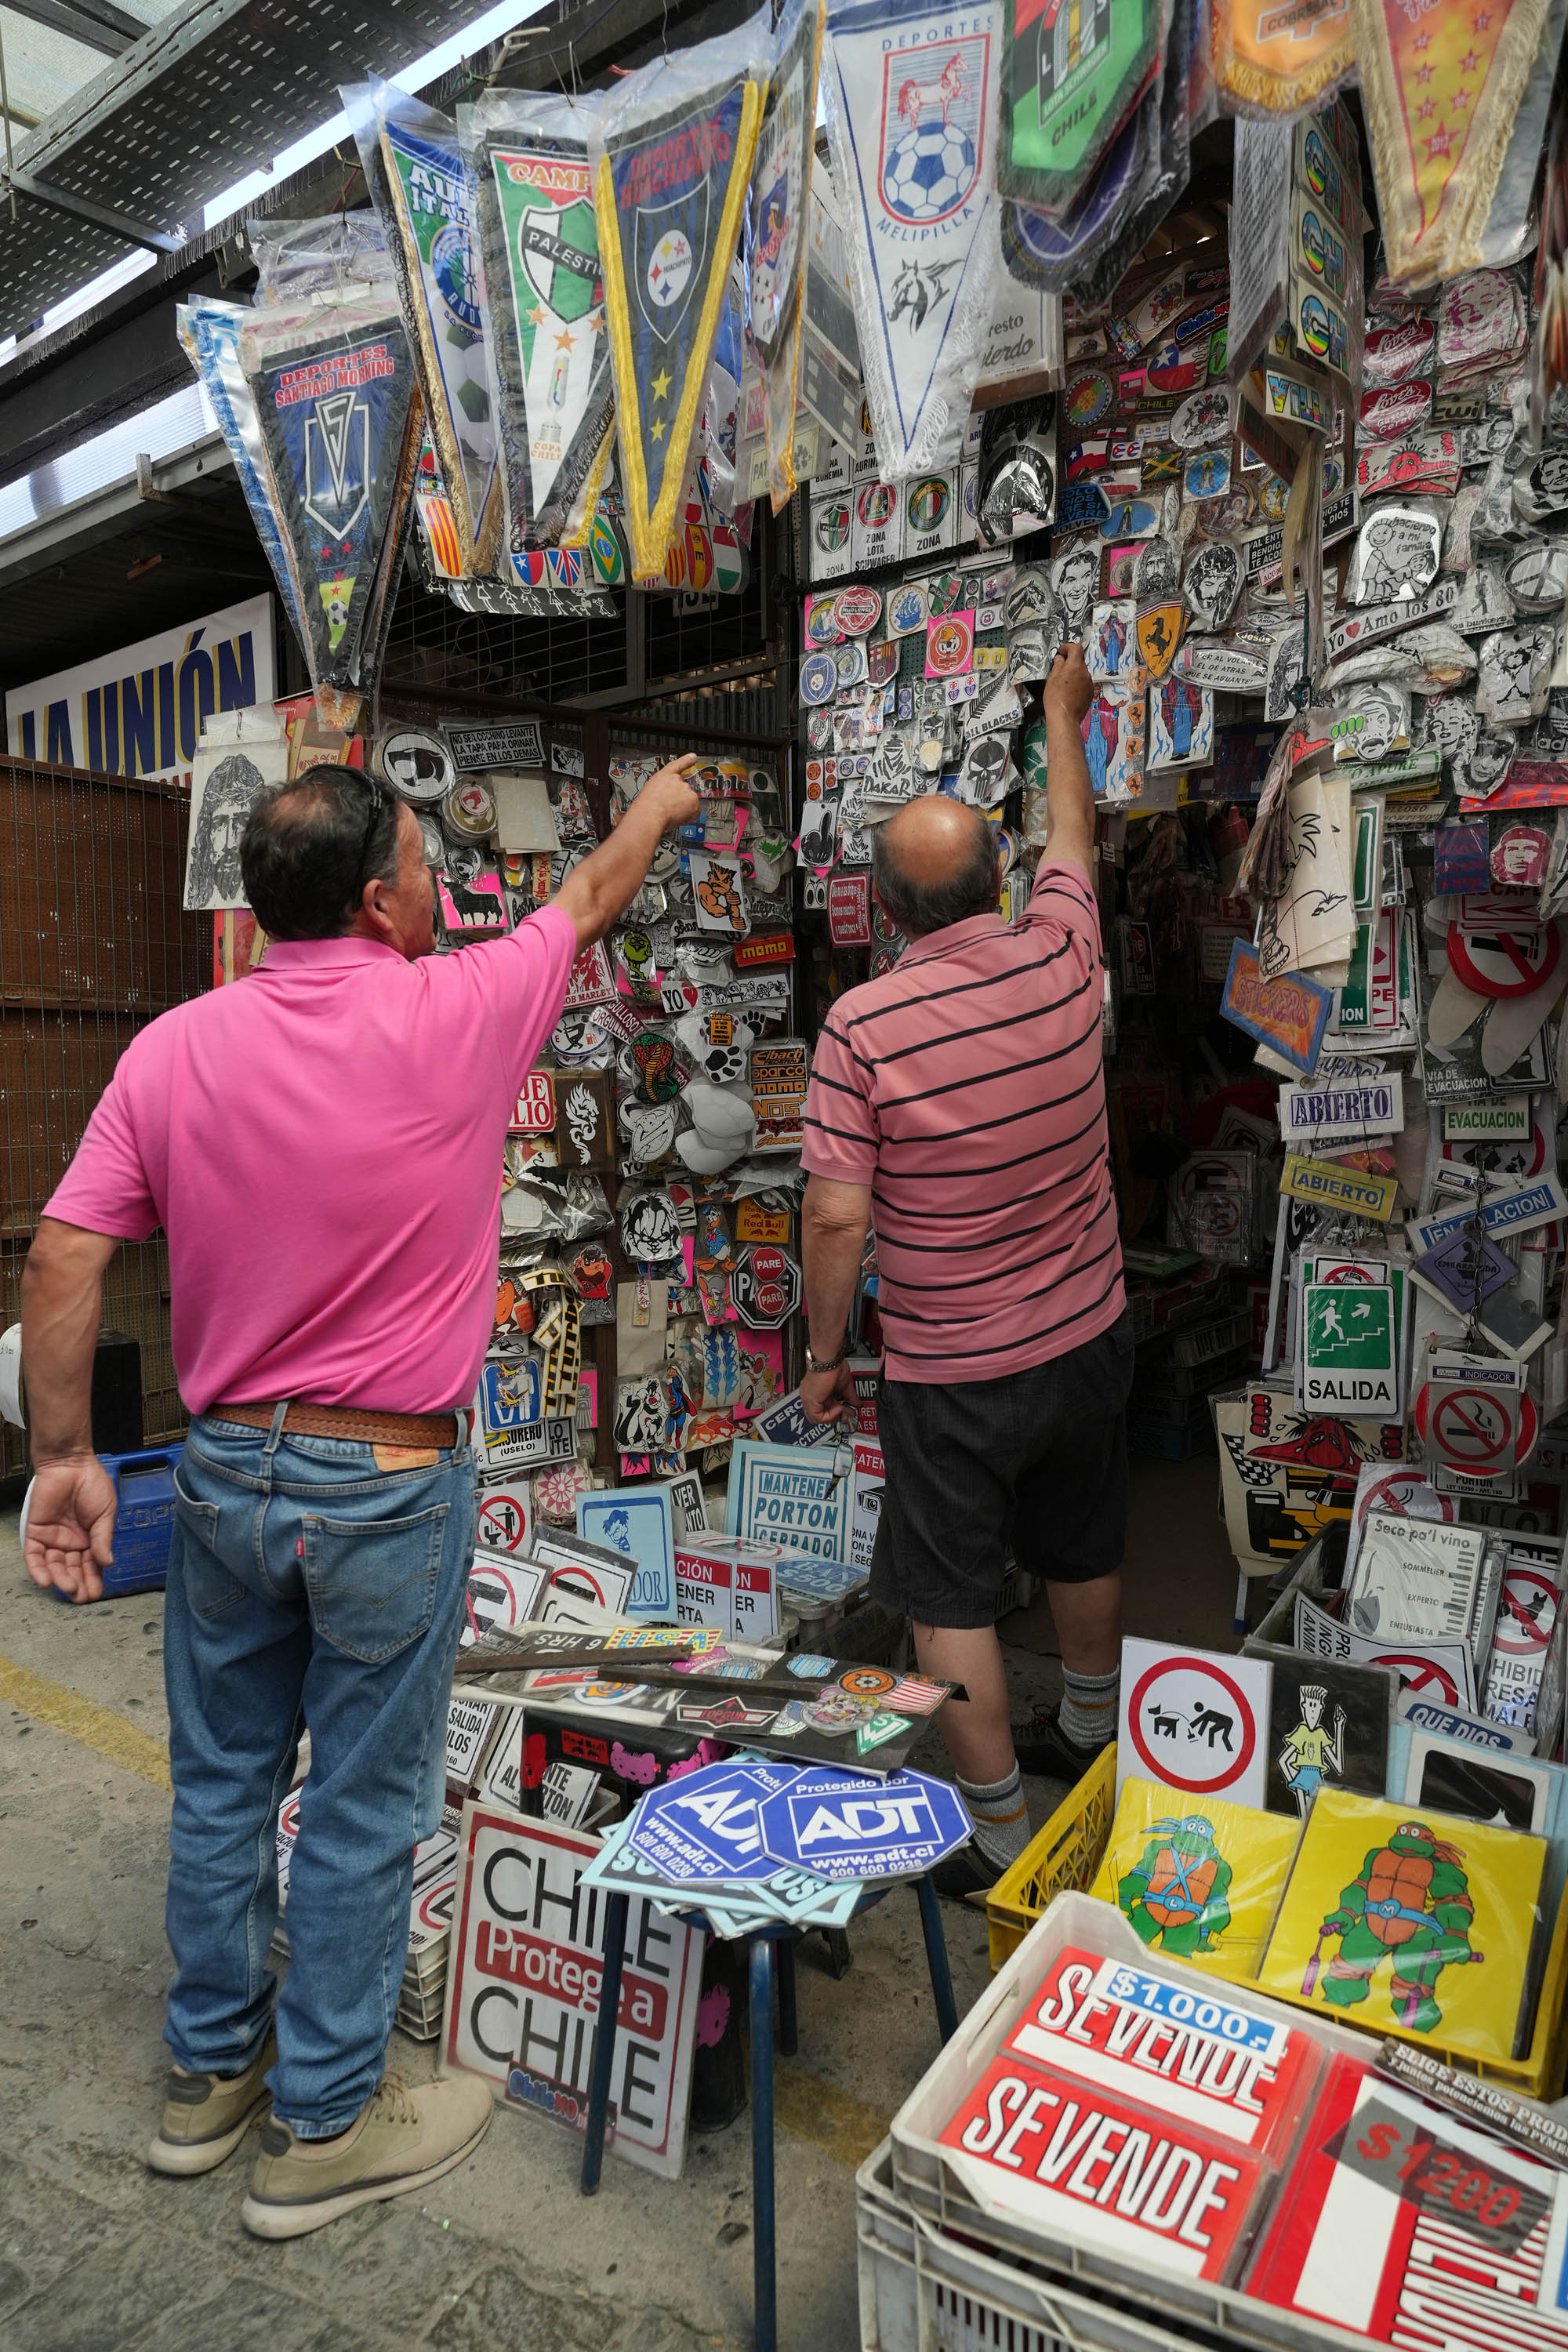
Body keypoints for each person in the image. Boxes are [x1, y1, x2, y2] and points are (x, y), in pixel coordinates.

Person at [20, 753, 700, 2235]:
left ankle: (209, 2082)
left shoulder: (171, 1050)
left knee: (222, 1782)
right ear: (385, 899)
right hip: (387, 1478)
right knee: (362, 1805)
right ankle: (324, 2119)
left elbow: (65, 1259)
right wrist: (656, 803)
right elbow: (590, 894)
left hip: (219, 1472)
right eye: (424, 864)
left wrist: (65, 1458)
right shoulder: (453, 1009)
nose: (440, 886)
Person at [797, 643, 1129, 1900]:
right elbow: (1078, 840)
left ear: (885, 913)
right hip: (1090, 1335)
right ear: (999, 881)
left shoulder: (864, 1026)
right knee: (1083, 1544)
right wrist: (1060, 717)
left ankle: (1000, 1843)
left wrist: (828, 1359)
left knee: (952, 1599)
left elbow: (838, 1220)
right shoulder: (1060, 951)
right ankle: (1089, 1740)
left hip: (951, 1374)